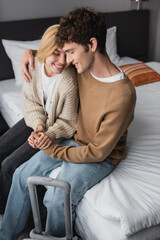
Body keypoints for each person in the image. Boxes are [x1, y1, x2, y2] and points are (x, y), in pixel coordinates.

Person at [0, 7, 136, 240]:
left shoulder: (122, 94)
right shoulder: (81, 67)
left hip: (99, 155)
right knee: (22, 174)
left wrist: (52, 147)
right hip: (72, 140)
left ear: (92, 45)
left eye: (71, 52)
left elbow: (97, 151)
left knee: (55, 196)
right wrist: (29, 53)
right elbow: (50, 56)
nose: (68, 60)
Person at [0, 24, 78, 215]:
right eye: (56, 53)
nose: (62, 61)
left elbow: (67, 122)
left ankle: (10, 214)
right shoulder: (33, 66)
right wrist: (39, 126)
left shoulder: (68, 81)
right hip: (37, 121)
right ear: (44, 50)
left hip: (55, 129)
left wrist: (46, 133)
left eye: (67, 54)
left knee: (9, 166)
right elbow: (31, 103)